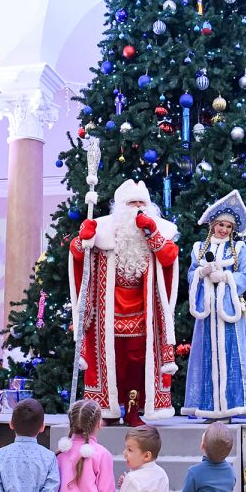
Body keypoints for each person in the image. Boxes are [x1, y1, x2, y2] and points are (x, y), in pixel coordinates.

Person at [70, 179, 181, 425]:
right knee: (110, 367)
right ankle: (107, 411)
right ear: (120, 207)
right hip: (106, 316)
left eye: (142, 203)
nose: (137, 208)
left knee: (135, 370)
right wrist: (83, 239)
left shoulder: (158, 231)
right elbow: (79, 255)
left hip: (143, 317)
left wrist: (151, 232)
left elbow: (169, 257)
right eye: (132, 203)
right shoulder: (103, 230)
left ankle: (132, 411)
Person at [183, 190, 246, 419]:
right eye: (220, 225)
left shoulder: (239, 249)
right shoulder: (199, 248)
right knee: (207, 355)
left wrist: (227, 278)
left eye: (228, 227)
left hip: (229, 309)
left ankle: (232, 406)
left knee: (232, 353)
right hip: (207, 311)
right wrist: (202, 272)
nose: (224, 230)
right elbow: (190, 276)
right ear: (213, 225)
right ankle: (209, 407)